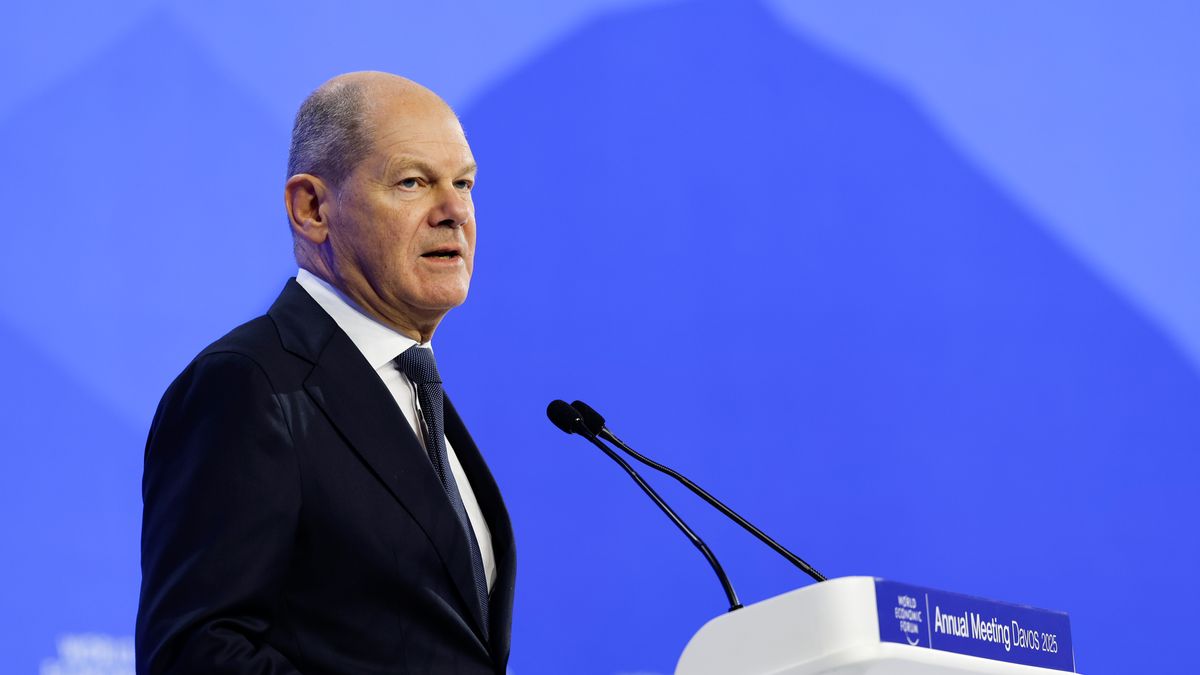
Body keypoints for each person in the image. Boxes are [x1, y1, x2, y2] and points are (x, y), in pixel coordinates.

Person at [136, 72, 515, 674]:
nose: (453, 213)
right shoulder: (247, 386)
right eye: (414, 182)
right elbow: (195, 655)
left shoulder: (412, 387)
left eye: (464, 183)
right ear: (311, 208)